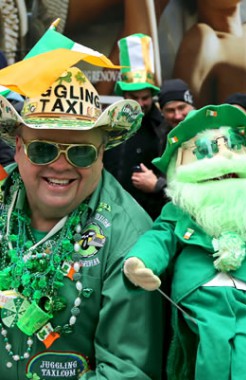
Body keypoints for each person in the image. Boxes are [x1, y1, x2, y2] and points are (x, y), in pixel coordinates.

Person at [0, 65, 163, 378]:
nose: (60, 165)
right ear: (19, 149)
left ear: (102, 154)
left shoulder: (130, 237)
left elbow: (126, 372)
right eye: (43, 149)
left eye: (81, 152)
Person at [122, 104, 246, 379]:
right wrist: (142, 261)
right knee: (213, 353)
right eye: (207, 152)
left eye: (235, 148)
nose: (226, 165)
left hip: (242, 301)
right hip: (201, 294)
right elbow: (160, 236)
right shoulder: (183, 212)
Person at [103, 33, 168, 220]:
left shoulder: (162, 128)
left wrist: (158, 185)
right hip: (110, 212)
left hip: (149, 214)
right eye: (134, 98)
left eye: (145, 98)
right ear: (124, 96)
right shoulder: (110, 124)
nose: (140, 103)